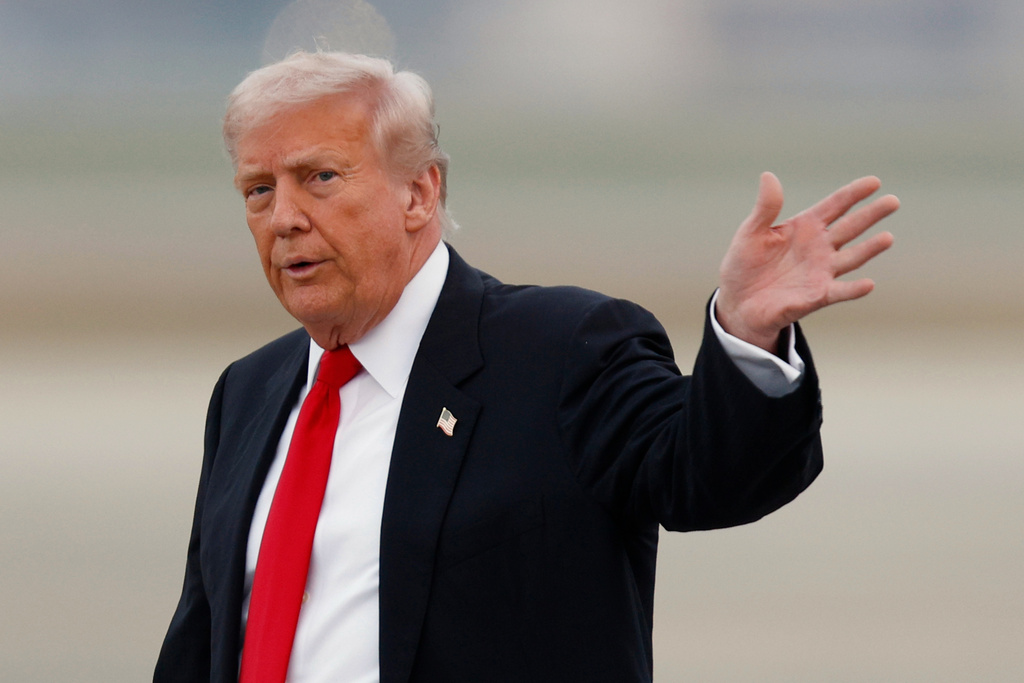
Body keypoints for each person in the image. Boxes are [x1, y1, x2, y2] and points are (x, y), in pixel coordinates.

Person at [154, 51, 897, 683]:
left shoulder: (561, 350)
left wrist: (745, 334)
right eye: (259, 190)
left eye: (319, 178)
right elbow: (203, 638)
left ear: (419, 193)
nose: (283, 217)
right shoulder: (248, 392)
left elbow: (704, 475)